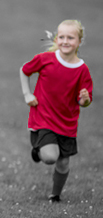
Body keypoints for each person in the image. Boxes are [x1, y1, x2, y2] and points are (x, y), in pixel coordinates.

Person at [19, 20, 93, 203]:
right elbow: (24, 70)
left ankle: (55, 195)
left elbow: (84, 101)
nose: (65, 41)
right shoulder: (46, 59)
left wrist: (85, 100)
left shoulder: (82, 70)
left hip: (67, 123)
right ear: (57, 38)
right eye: (61, 37)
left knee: (64, 162)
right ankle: (38, 150)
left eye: (70, 37)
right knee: (51, 157)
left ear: (79, 41)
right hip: (43, 117)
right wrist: (27, 93)